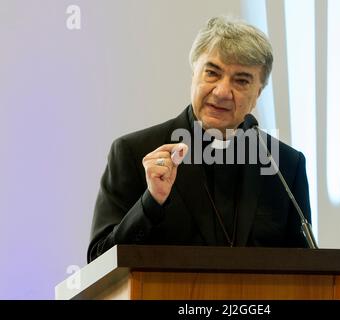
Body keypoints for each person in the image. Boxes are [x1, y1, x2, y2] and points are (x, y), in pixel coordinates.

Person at [87, 16, 312, 263]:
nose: (222, 92)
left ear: (258, 92)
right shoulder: (133, 152)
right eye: (212, 73)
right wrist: (151, 202)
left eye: (241, 80)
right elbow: (99, 261)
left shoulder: (284, 165)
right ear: (194, 72)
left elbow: (309, 268)